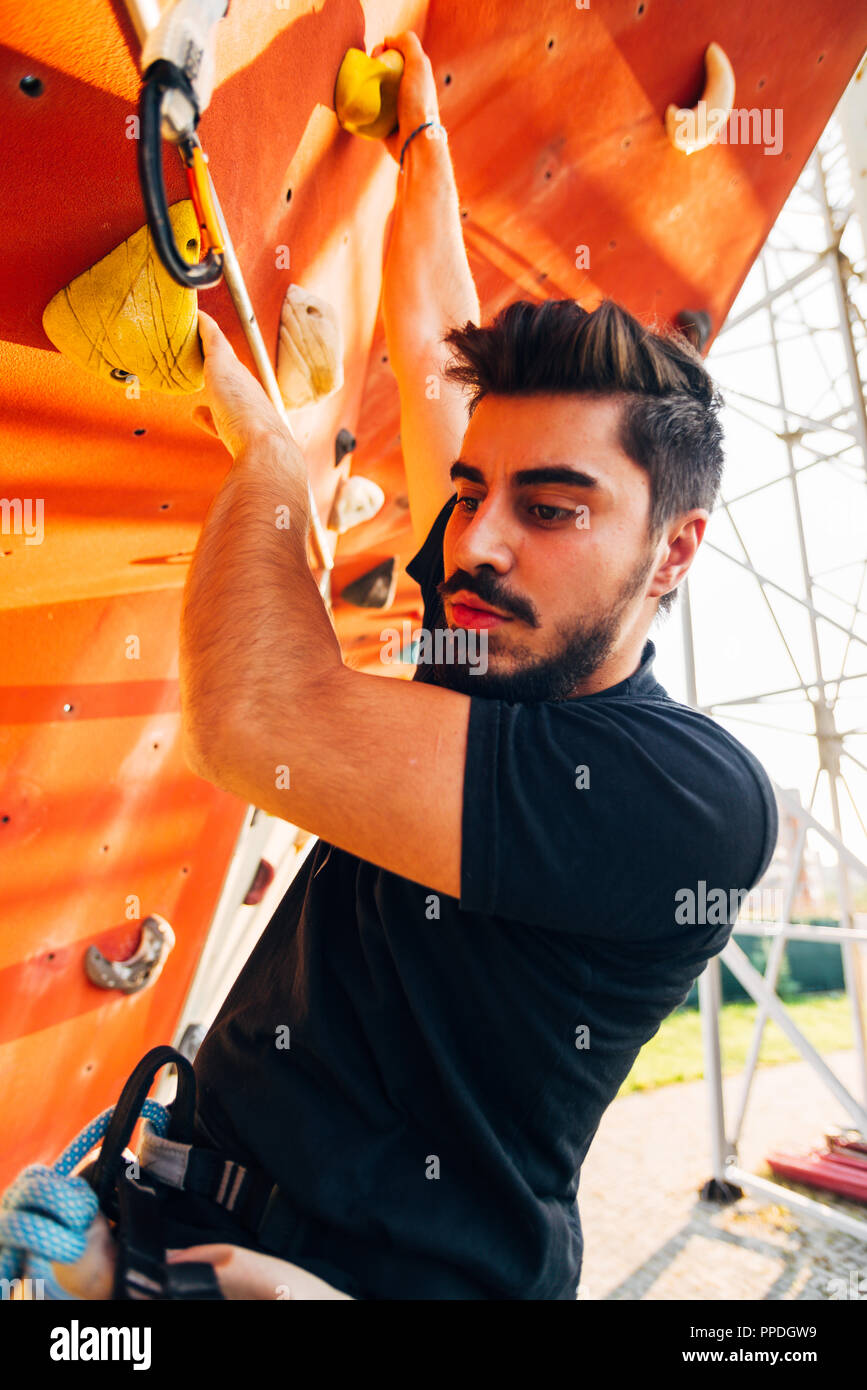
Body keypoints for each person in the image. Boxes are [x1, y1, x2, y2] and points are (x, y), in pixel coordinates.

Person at [125, 30, 778, 1300]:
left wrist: (271, 462)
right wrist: (419, 142)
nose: (468, 542)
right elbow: (435, 351)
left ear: (674, 550)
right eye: (469, 491)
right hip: (174, 1249)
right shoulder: (495, 628)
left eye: (551, 506)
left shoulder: (687, 802)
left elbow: (254, 719)